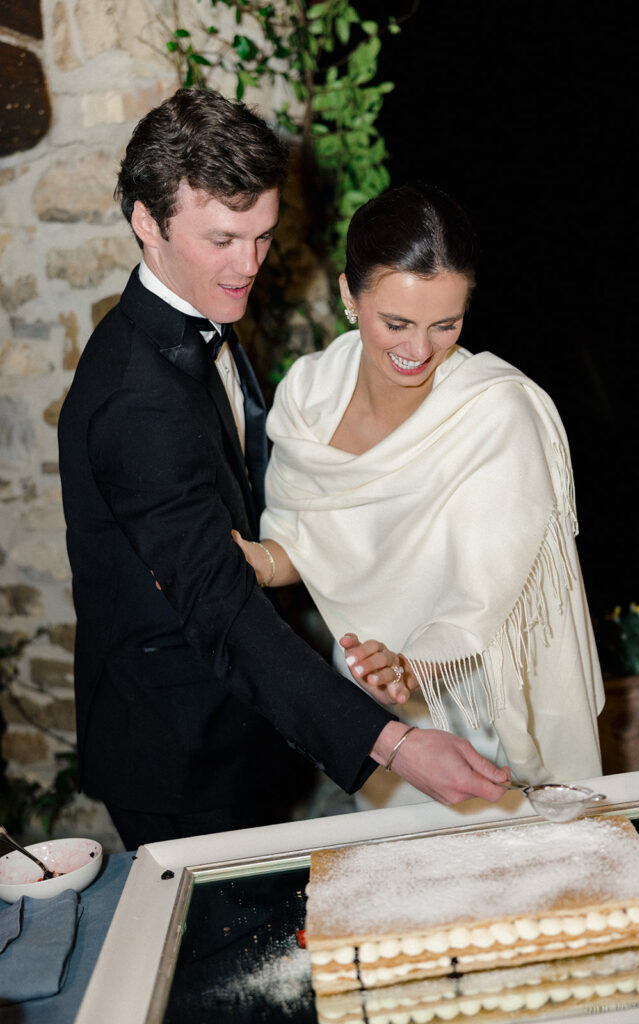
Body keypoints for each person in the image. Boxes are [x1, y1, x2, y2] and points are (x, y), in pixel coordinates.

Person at [57, 91, 508, 849]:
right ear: (146, 222)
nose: (248, 267)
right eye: (224, 240)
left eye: (262, 237)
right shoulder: (136, 400)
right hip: (178, 754)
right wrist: (391, 742)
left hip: (241, 723)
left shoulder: (202, 314)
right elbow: (217, 600)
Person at [234, 183, 605, 808]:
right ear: (351, 295)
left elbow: (488, 595)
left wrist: (409, 666)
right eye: (396, 322)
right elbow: (302, 541)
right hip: (374, 709)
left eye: (446, 325)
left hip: (475, 707)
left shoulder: (496, 412)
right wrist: (255, 562)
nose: (418, 350)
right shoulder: (309, 392)